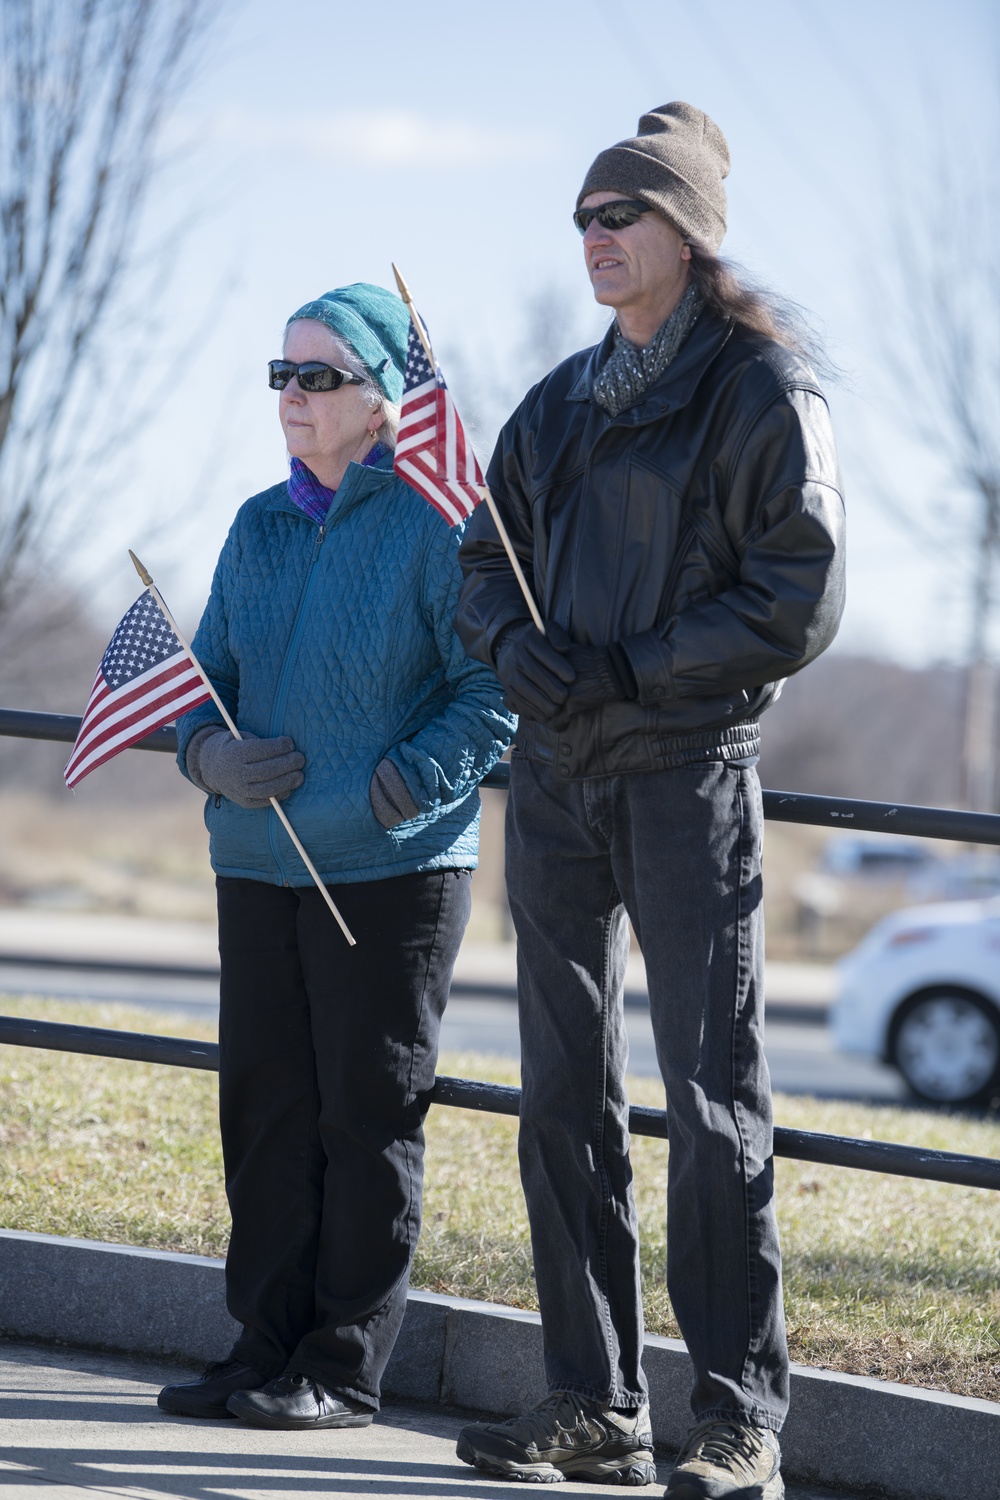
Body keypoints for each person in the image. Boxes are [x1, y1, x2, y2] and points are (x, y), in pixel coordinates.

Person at [454, 104, 845, 1496]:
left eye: (620, 216)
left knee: (711, 1098)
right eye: (583, 219)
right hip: (556, 780)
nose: (596, 238)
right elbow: (478, 563)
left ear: (688, 233)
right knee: (559, 1091)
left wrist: (627, 667)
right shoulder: (556, 401)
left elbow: (798, 599)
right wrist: (520, 655)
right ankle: (591, 1401)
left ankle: (740, 1422)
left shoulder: (760, 390)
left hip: (688, 773)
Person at [157, 283, 514, 1430]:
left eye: (319, 377)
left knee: (366, 1116)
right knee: (264, 1110)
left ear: (380, 397)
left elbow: (492, 687)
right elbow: (199, 682)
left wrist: (415, 778)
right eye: (282, 376)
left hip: (395, 869)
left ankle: (341, 1368)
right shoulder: (258, 521)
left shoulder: (438, 519)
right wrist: (208, 753)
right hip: (259, 864)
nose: (293, 399)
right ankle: (259, 1348)